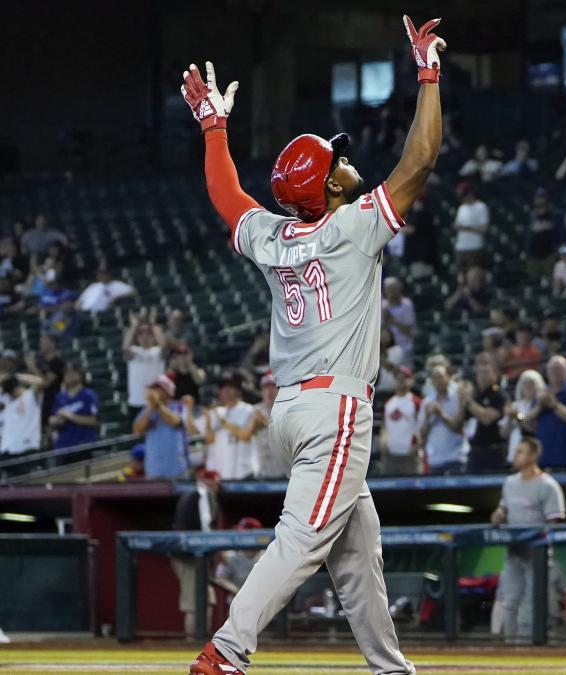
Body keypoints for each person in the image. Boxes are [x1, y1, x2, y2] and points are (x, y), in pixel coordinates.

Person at [182, 18, 443, 673]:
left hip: (294, 411)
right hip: (335, 410)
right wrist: (428, 75)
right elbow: (422, 158)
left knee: (358, 554)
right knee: (301, 536)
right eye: (337, 161)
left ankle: (390, 666)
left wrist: (215, 128)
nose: (347, 162)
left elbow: (225, 194)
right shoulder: (354, 227)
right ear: (327, 187)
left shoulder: (273, 236)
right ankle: (227, 649)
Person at [490, 438, 566, 643]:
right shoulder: (509, 482)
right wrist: (498, 515)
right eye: (515, 452)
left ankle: (525, 650)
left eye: (521, 452)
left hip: (537, 554)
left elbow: (554, 521)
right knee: (510, 601)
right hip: (514, 551)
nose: (515, 456)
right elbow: (503, 509)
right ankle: (509, 648)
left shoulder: (548, 485)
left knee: (530, 605)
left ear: (533, 456)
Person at [171, 468, 222, 638]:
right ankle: (191, 641)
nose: (217, 487)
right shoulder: (202, 494)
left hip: (192, 555)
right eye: (215, 483)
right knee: (194, 602)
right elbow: (206, 524)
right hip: (190, 556)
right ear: (210, 481)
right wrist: (209, 548)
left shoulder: (190, 494)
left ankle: (199, 638)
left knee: (206, 599)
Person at [530, 356, 566, 469]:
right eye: (553, 369)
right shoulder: (541, 393)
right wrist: (539, 406)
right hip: (543, 458)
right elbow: (528, 424)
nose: (556, 372)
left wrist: (554, 405)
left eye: (559, 369)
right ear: (547, 372)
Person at [133, 375, 192, 480]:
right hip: (153, 471)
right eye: (153, 388)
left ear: (168, 391)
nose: (154, 391)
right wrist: (150, 408)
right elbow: (137, 430)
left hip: (176, 471)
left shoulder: (179, 406)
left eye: (158, 388)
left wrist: (158, 405)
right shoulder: (147, 410)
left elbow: (175, 422)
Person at [203, 372, 259, 481]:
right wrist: (208, 422)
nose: (226, 390)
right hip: (221, 473)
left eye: (231, 387)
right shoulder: (216, 412)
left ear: (238, 389)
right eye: (223, 387)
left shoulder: (249, 410)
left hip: (243, 472)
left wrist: (223, 422)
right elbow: (209, 440)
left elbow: (244, 435)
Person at [461, 353, 508, 473]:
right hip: (474, 450)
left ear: (494, 375)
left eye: (487, 373)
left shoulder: (498, 394)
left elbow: (486, 418)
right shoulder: (474, 395)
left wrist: (468, 401)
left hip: (493, 451)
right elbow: (462, 421)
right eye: (480, 373)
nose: (483, 377)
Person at [419, 365, 468, 474]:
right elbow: (422, 435)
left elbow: (459, 428)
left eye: (440, 377)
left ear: (448, 377)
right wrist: (427, 417)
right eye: (434, 378)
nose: (437, 381)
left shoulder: (457, 398)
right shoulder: (427, 402)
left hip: (456, 458)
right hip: (434, 460)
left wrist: (441, 414)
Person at [48, 363, 98, 454]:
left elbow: (93, 421)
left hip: (82, 446)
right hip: (62, 447)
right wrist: (55, 421)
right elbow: (52, 418)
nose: (69, 375)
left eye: (73, 372)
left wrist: (69, 415)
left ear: (81, 375)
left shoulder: (88, 395)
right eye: (67, 373)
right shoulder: (60, 397)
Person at [252, 372, 288, 479]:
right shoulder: (255, 410)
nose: (269, 391)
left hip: (284, 470)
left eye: (272, 387)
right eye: (265, 388)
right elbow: (245, 437)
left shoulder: (287, 409)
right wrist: (253, 423)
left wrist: (265, 422)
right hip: (262, 471)